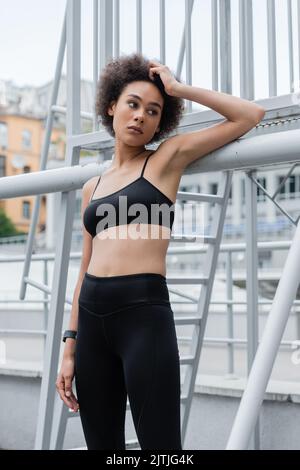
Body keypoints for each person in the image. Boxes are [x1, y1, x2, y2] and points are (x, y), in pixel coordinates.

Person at [55, 53, 265, 450]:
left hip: (143, 318)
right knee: (102, 447)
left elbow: (248, 115)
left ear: (160, 122)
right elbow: (83, 270)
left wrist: (178, 89)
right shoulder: (92, 186)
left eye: (153, 111)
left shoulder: (165, 160)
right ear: (111, 107)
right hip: (93, 325)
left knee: (161, 448)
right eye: (132, 104)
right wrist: (70, 348)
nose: (140, 116)